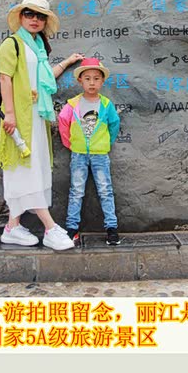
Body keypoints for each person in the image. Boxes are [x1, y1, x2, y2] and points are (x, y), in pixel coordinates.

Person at [0, 0, 83, 250]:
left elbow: (44, 78)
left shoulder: (38, 48)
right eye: (29, 14)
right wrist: (10, 114)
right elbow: (5, 79)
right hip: (20, 117)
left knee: (32, 168)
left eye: (40, 16)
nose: (35, 19)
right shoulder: (12, 44)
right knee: (27, 168)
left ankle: (12, 227)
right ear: (20, 17)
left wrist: (67, 62)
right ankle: (50, 228)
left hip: (36, 115)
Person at [57, 58, 121, 246]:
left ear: (102, 81)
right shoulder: (73, 104)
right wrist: (70, 143)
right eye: (87, 78)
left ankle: (111, 228)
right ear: (80, 81)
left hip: (100, 154)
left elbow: (114, 124)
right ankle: (72, 228)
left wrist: (105, 142)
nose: (92, 82)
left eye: (96, 78)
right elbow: (63, 122)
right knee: (76, 191)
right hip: (78, 154)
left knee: (105, 190)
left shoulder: (106, 105)